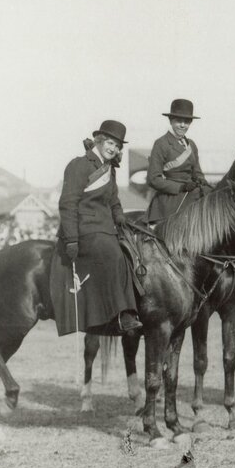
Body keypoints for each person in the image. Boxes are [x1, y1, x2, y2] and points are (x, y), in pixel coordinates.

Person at [50, 119, 142, 336]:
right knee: (114, 254)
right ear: (99, 141)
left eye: (118, 146)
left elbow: (113, 201)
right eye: (110, 143)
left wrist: (120, 217)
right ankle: (124, 313)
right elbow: (67, 203)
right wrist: (72, 239)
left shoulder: (110, 169)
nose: (113, 149)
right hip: (84, 228)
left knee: (131, 250)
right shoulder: (79, 165)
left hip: (105, 227)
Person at [145, 98, 212, 223]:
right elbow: (153, 179)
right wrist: (181, 187)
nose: (182, 125)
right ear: (171, 121)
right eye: (178, 121)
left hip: (192, 195)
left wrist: (200, 179)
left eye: (186, 122)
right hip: (170, 199)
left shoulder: (191, 145)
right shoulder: (161, 144)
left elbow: (197, 172)